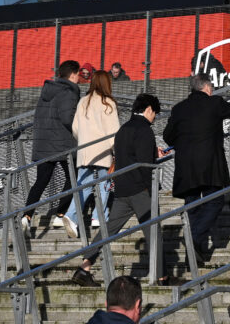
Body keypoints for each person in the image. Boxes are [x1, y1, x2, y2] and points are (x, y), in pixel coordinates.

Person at [163, 74, 230, 267]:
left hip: (186, 167)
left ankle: (193, 254)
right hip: (210, 164)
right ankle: (195, 238)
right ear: (207, 87)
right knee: (215, 201)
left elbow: (168, 137)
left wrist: (185, 140)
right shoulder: (214, 103)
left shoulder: (179, 109)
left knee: (192, 207)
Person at [72, 94, 168, 287]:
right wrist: (151, 185)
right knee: (154, 231)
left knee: (108, 231)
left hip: (122, 189)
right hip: (140, 189)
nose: (154, 118)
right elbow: (144, 164)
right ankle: (160, 277)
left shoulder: (123, 130)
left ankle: (84, 267)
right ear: (149, 109)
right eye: (155, 114)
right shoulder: (145, 130)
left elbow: (130, 156)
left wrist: (151, 152)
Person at [25, 60, 83, 236]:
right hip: (63, 144)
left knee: (41, 180)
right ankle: (61, 213)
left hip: (44, 142)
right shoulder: (69, 92)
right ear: (73, 74)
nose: (80, 78)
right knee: (74, 176)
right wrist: (80, 132)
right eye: (79, 74)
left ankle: (26, 216)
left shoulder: (47, 91)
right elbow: (67, 118)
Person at [72, 70, 119, 241]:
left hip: (84, 151)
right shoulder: (108, 103)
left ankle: (73, 216)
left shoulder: (83, 101)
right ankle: (98, 217)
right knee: (104, 184)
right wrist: (116, 151)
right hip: (102, 151)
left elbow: (75, 128)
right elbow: (114, 132)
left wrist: (84, 140)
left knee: (82, 185)